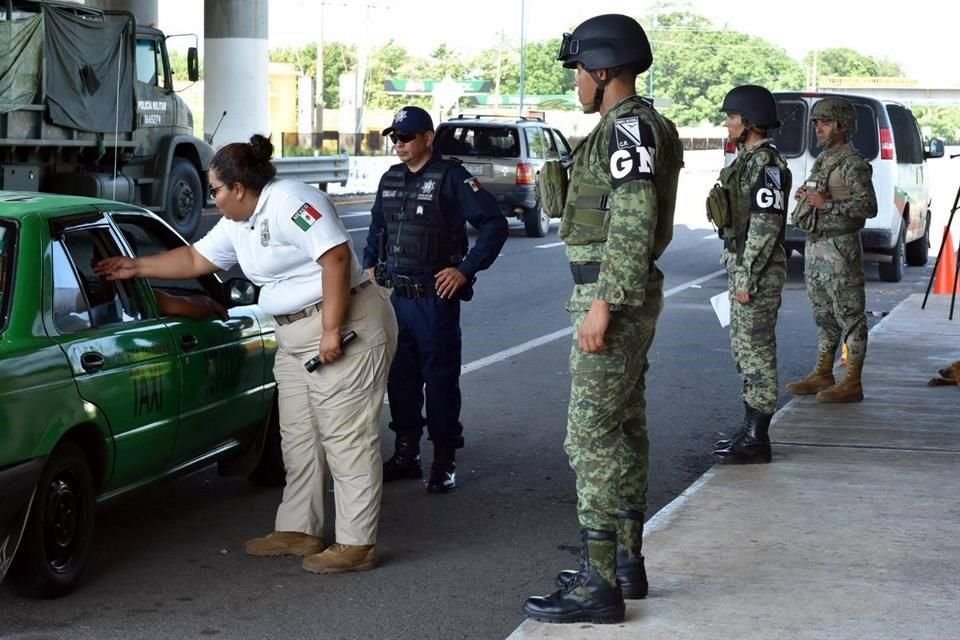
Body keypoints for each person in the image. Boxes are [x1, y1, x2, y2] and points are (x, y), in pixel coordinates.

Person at [96, 134, 398, 574]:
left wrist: (331, 330)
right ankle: (300, 529)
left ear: (238, 187)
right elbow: (196, 260)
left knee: (346, 439)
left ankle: (356, 544)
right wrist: (136, 267)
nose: (212, 197)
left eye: (215, 189)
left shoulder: (291, 201)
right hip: (295, 332)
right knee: (298, 437)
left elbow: (334, 257)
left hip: (345, 324)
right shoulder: (240, 221)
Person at [521, 14, 684, 624]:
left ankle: (598, 585)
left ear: (604, 69)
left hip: (612, 301)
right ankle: (623, 564)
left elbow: (635, 218)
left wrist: (604, 303)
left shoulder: (632, 128)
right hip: (619, 298)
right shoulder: (621, 129)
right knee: (623, 429)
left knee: (590, 438)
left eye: (578, 73)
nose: (575, 85)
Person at [362, 106, 507, 494]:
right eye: (394, 137)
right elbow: (378, 225)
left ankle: (444, 460)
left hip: (434, 301)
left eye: (406, 137)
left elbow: (494, 224)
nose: (398, 144)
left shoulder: (452, 178)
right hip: (396, 300)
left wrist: (465, 269)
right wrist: (370, 264)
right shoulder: (390, 178)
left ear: (427, 138)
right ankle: (406, 454)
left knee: (439, 381)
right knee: (400, 380)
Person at [707, 85, 791, 465]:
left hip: (755, 272)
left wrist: (746, 277)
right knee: (744, 352)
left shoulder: (768, 166)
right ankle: (750, 430)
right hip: (743, 266)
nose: (728, 124)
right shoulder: (746, 160)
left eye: (732, 117)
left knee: (756, 354)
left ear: (750, 122)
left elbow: (765, 225)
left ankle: (758, 440)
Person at [786, 98, 877, 403]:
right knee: (824, 314)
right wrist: (805, 196)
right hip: (816, 245)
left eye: (824, 122)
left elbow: (868, 207)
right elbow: (818, 193)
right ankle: (823, 372)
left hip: (840, 248)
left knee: (850, 315)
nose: (818, 128)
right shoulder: (824, 160)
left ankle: (852, 381)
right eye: (815, 122)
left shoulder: (854, 164)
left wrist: (828, 204)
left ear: (842, 125)